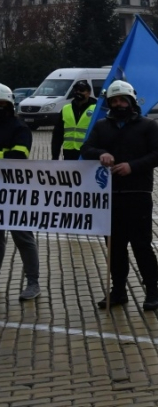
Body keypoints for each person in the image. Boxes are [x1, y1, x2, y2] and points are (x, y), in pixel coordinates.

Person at [82, 80, 158, 311]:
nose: (119, 104)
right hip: (109, 198)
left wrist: (133, 166)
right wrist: (101, 153)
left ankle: (152, 290)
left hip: (138, 194)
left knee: (142, 245)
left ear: (131, 101)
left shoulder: (148, 125)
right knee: (114, 247)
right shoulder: (101, 126)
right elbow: (86, 149)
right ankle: (118, 290)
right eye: (114, 101)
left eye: (122, 100)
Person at [0, 84, 41, 301]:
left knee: (23, 237)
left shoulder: (20, 128)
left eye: (1, 104)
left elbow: (19, 155)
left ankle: (33, 283)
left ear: (9, 104)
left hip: (15, 192)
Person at [51, 80, 96, 160]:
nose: (78, 92)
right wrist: (55, 156)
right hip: (69, 153)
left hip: (88, 153)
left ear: (89, 93)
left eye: (81, 90)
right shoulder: (65, 109)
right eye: (76, 90)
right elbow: (57, 135)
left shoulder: (96, 109)